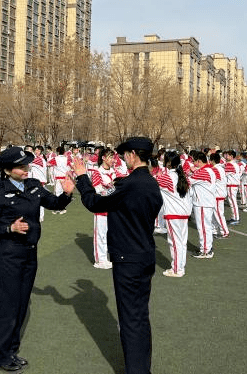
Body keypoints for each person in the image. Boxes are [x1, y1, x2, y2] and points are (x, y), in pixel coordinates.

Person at [72, 137, 163, 374]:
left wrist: (82, 176)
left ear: (133, 154)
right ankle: (142, 368)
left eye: (124, 154)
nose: (123, 158)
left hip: (128, 258)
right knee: (140, 317)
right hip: (145, 255)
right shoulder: (152, 183)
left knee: (131, 320)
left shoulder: (129, 183)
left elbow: (95, 203)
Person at [0, 146, 75, 371]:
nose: (26, 169)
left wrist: (67, 194)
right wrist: (9, 227)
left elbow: (55, 204)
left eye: (27, 165)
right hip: (9, 254)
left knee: (22, 304)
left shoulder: (33, 186)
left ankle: (11, 350)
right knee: (9, 305)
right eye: (21, 166)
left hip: (30, 253)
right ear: (7, 170)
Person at [156, 150, 192, 277]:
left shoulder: (168, 177)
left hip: (173, 213)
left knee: (174, 242)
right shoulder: (182, 176)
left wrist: (158, 173)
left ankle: (176, 269)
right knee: (182, 242)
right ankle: (180, 267)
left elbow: (153, 183)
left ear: (169, 162)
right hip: (184, 213)